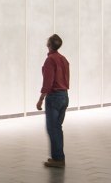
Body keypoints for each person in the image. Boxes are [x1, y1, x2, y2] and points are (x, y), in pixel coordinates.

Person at [35, 33, 70, 168]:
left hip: (54, 97)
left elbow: (48, 83)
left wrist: (40, 99)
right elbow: (66, 79)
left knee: (52, 128)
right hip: (64, 96)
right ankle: (58, 157)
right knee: (57, 128)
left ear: (49, 45)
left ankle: (58, 159)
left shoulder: (50, 60)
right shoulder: (63, 59)